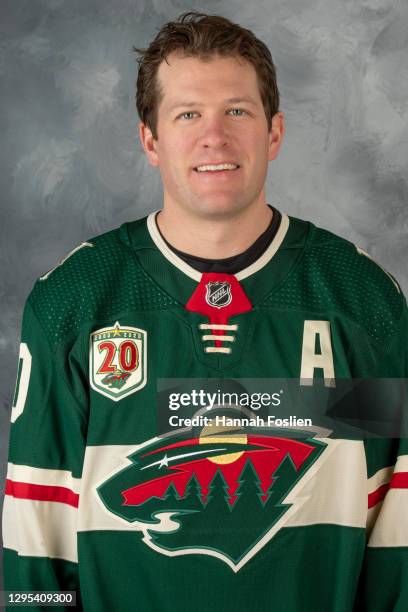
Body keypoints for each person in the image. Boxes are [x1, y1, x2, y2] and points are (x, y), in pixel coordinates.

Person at [2, 11, 407, 612]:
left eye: (236, 111)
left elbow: (394, 528)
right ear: (151, 140)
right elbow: (37, 538)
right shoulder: (76, 303)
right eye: (188, 114)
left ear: (274, 132)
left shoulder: (361, 302)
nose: (214, 137)